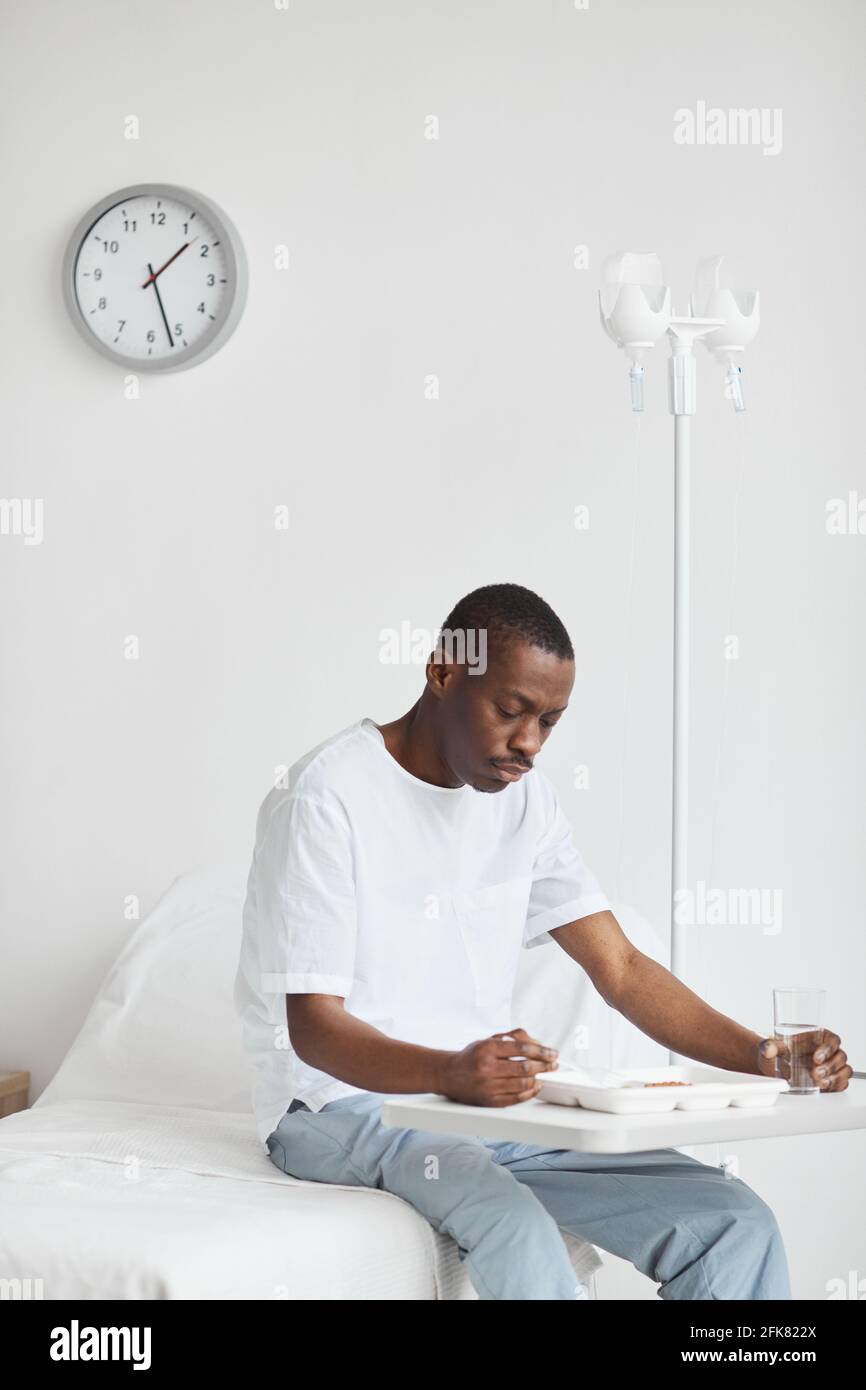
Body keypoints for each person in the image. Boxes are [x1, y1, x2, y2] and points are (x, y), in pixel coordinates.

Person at [234, 581, 851, 1300]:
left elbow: (619, 967)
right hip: (334, 1108)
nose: (527, 744)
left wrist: (764, 1058)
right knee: (514, 1224)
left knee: (732, 1221)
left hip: (482, 1110)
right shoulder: (327, 795)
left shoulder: (525, 801)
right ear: (441, 672)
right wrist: (449, 1073)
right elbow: (314, 1032)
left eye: (550, 722)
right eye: (510, 710)